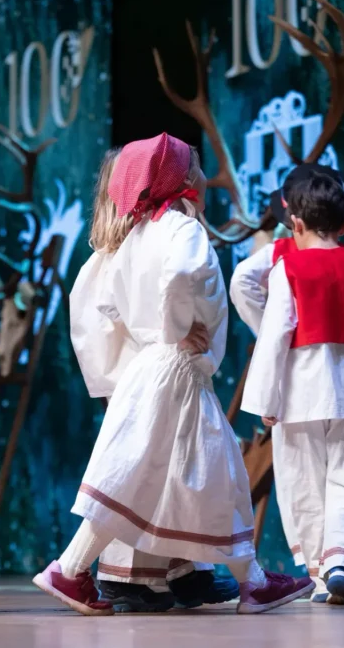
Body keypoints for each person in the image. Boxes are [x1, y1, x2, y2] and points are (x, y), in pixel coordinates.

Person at [36, 133, 313, 616]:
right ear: (183, 179)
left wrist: (155, 330)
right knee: (216, 472)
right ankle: (252, 582)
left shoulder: (136, 234)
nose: (203, 178)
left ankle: (74, 568)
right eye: (197, 169)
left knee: (156, 475)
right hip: (176, 371)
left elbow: (107, 302)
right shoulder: (182, 228)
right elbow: (182, 275)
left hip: (152, 366)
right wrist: (176, 328)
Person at [77, 149, 240, 613]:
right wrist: (118, 380)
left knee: (178, 471)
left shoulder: (155, 240)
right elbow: (101, 328)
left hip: (165, 371)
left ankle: (184, 569)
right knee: (139, 473)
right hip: (142, 374)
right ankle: (126, 576)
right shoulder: (115, 257)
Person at [241, 168, 344, 605]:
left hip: (302, 391)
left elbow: (275, 335)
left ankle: (320, 571)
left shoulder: (288, 268)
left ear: (294, 223)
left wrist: (266, 398)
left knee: (303, 479)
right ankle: (342, 563)